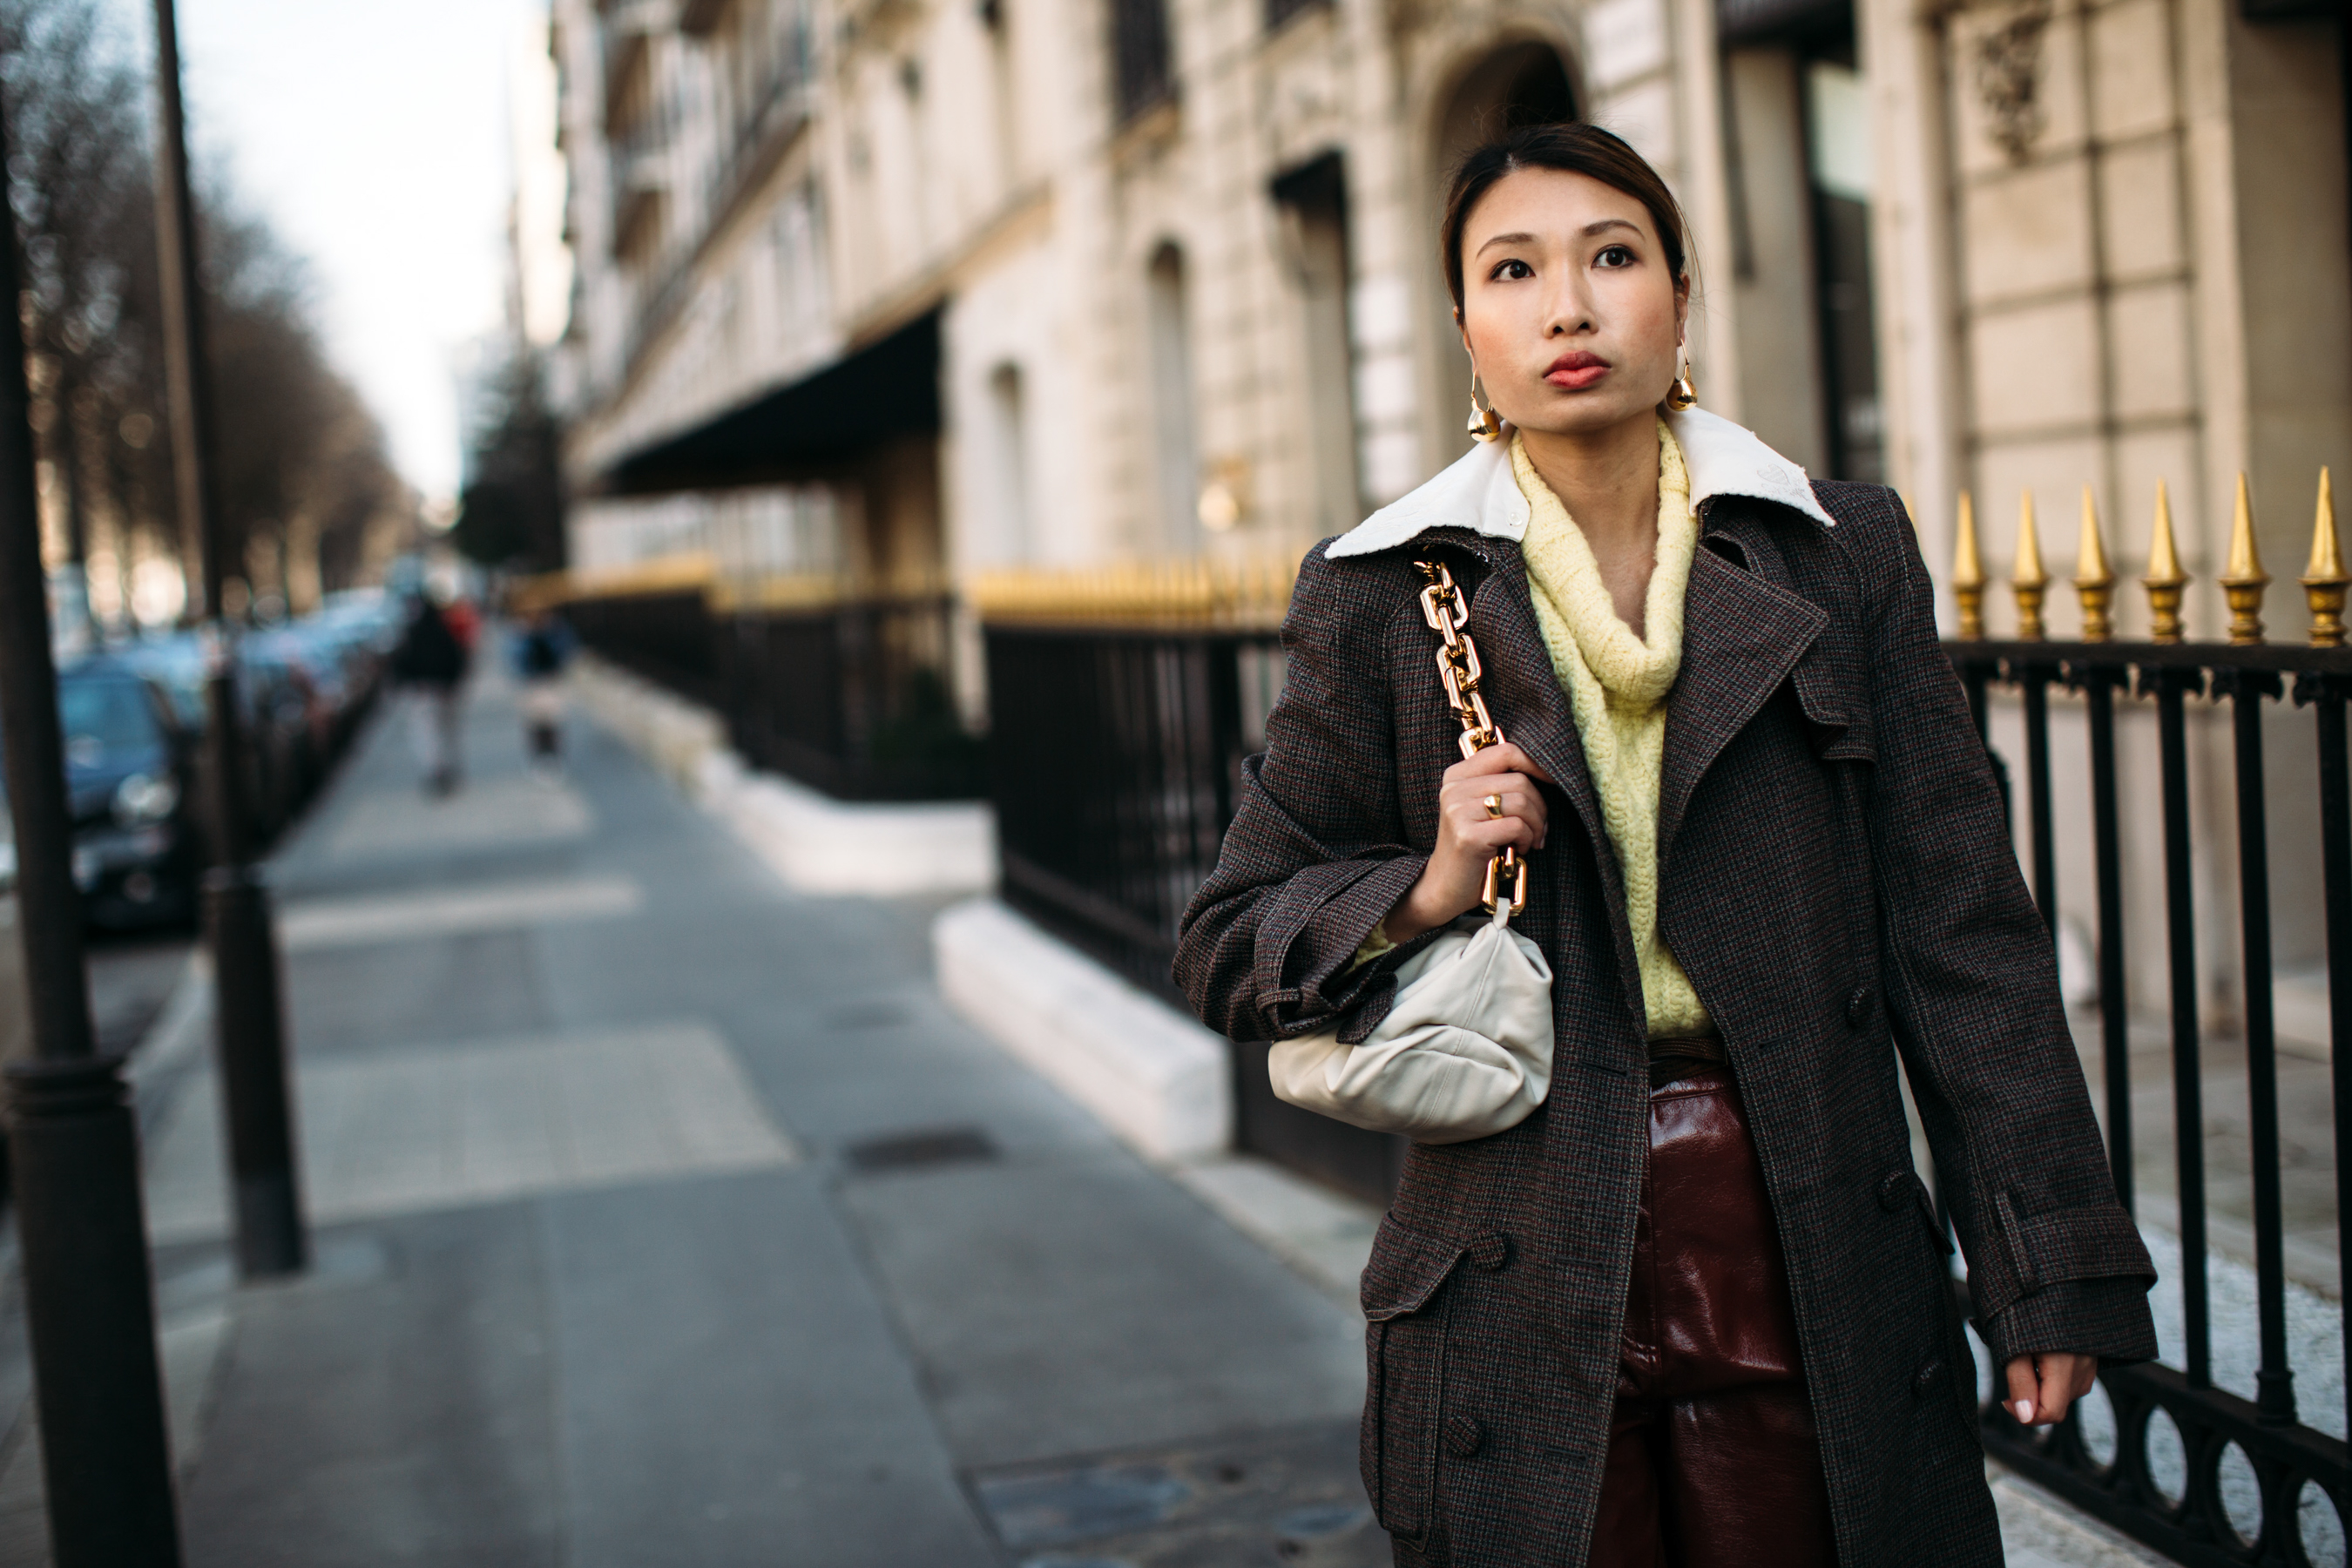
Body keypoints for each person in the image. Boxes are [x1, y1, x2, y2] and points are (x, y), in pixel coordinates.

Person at [1174, 123, 2154, 1568]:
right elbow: (1226, 943)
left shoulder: (1835, 549)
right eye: (1514, 271)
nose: (1567, 307)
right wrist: (1423, 886)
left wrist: (2044, 1265)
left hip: (1804, 1230)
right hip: (1514, 1259)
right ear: (1467, 329)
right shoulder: (1382, 590)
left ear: (1681, 297)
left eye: (1612, 257)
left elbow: (1964, 933)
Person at [389, 592, 469, 796]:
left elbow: (401, 665)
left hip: (423, 693)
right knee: (445, 733)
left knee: (427, 735)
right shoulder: (442, 632)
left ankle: (436, 771)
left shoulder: (413, 634)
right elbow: (457, 660)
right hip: (442, 692)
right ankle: (445, 769)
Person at [510, 607, 575, 774]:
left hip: (551, 681)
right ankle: (539, 756)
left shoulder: (556, 629)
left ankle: (554, 756)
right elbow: (514, 658)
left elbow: (567, 650)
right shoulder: (520, 631)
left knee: (553, 721)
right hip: (531, 682)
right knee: (535, 722)